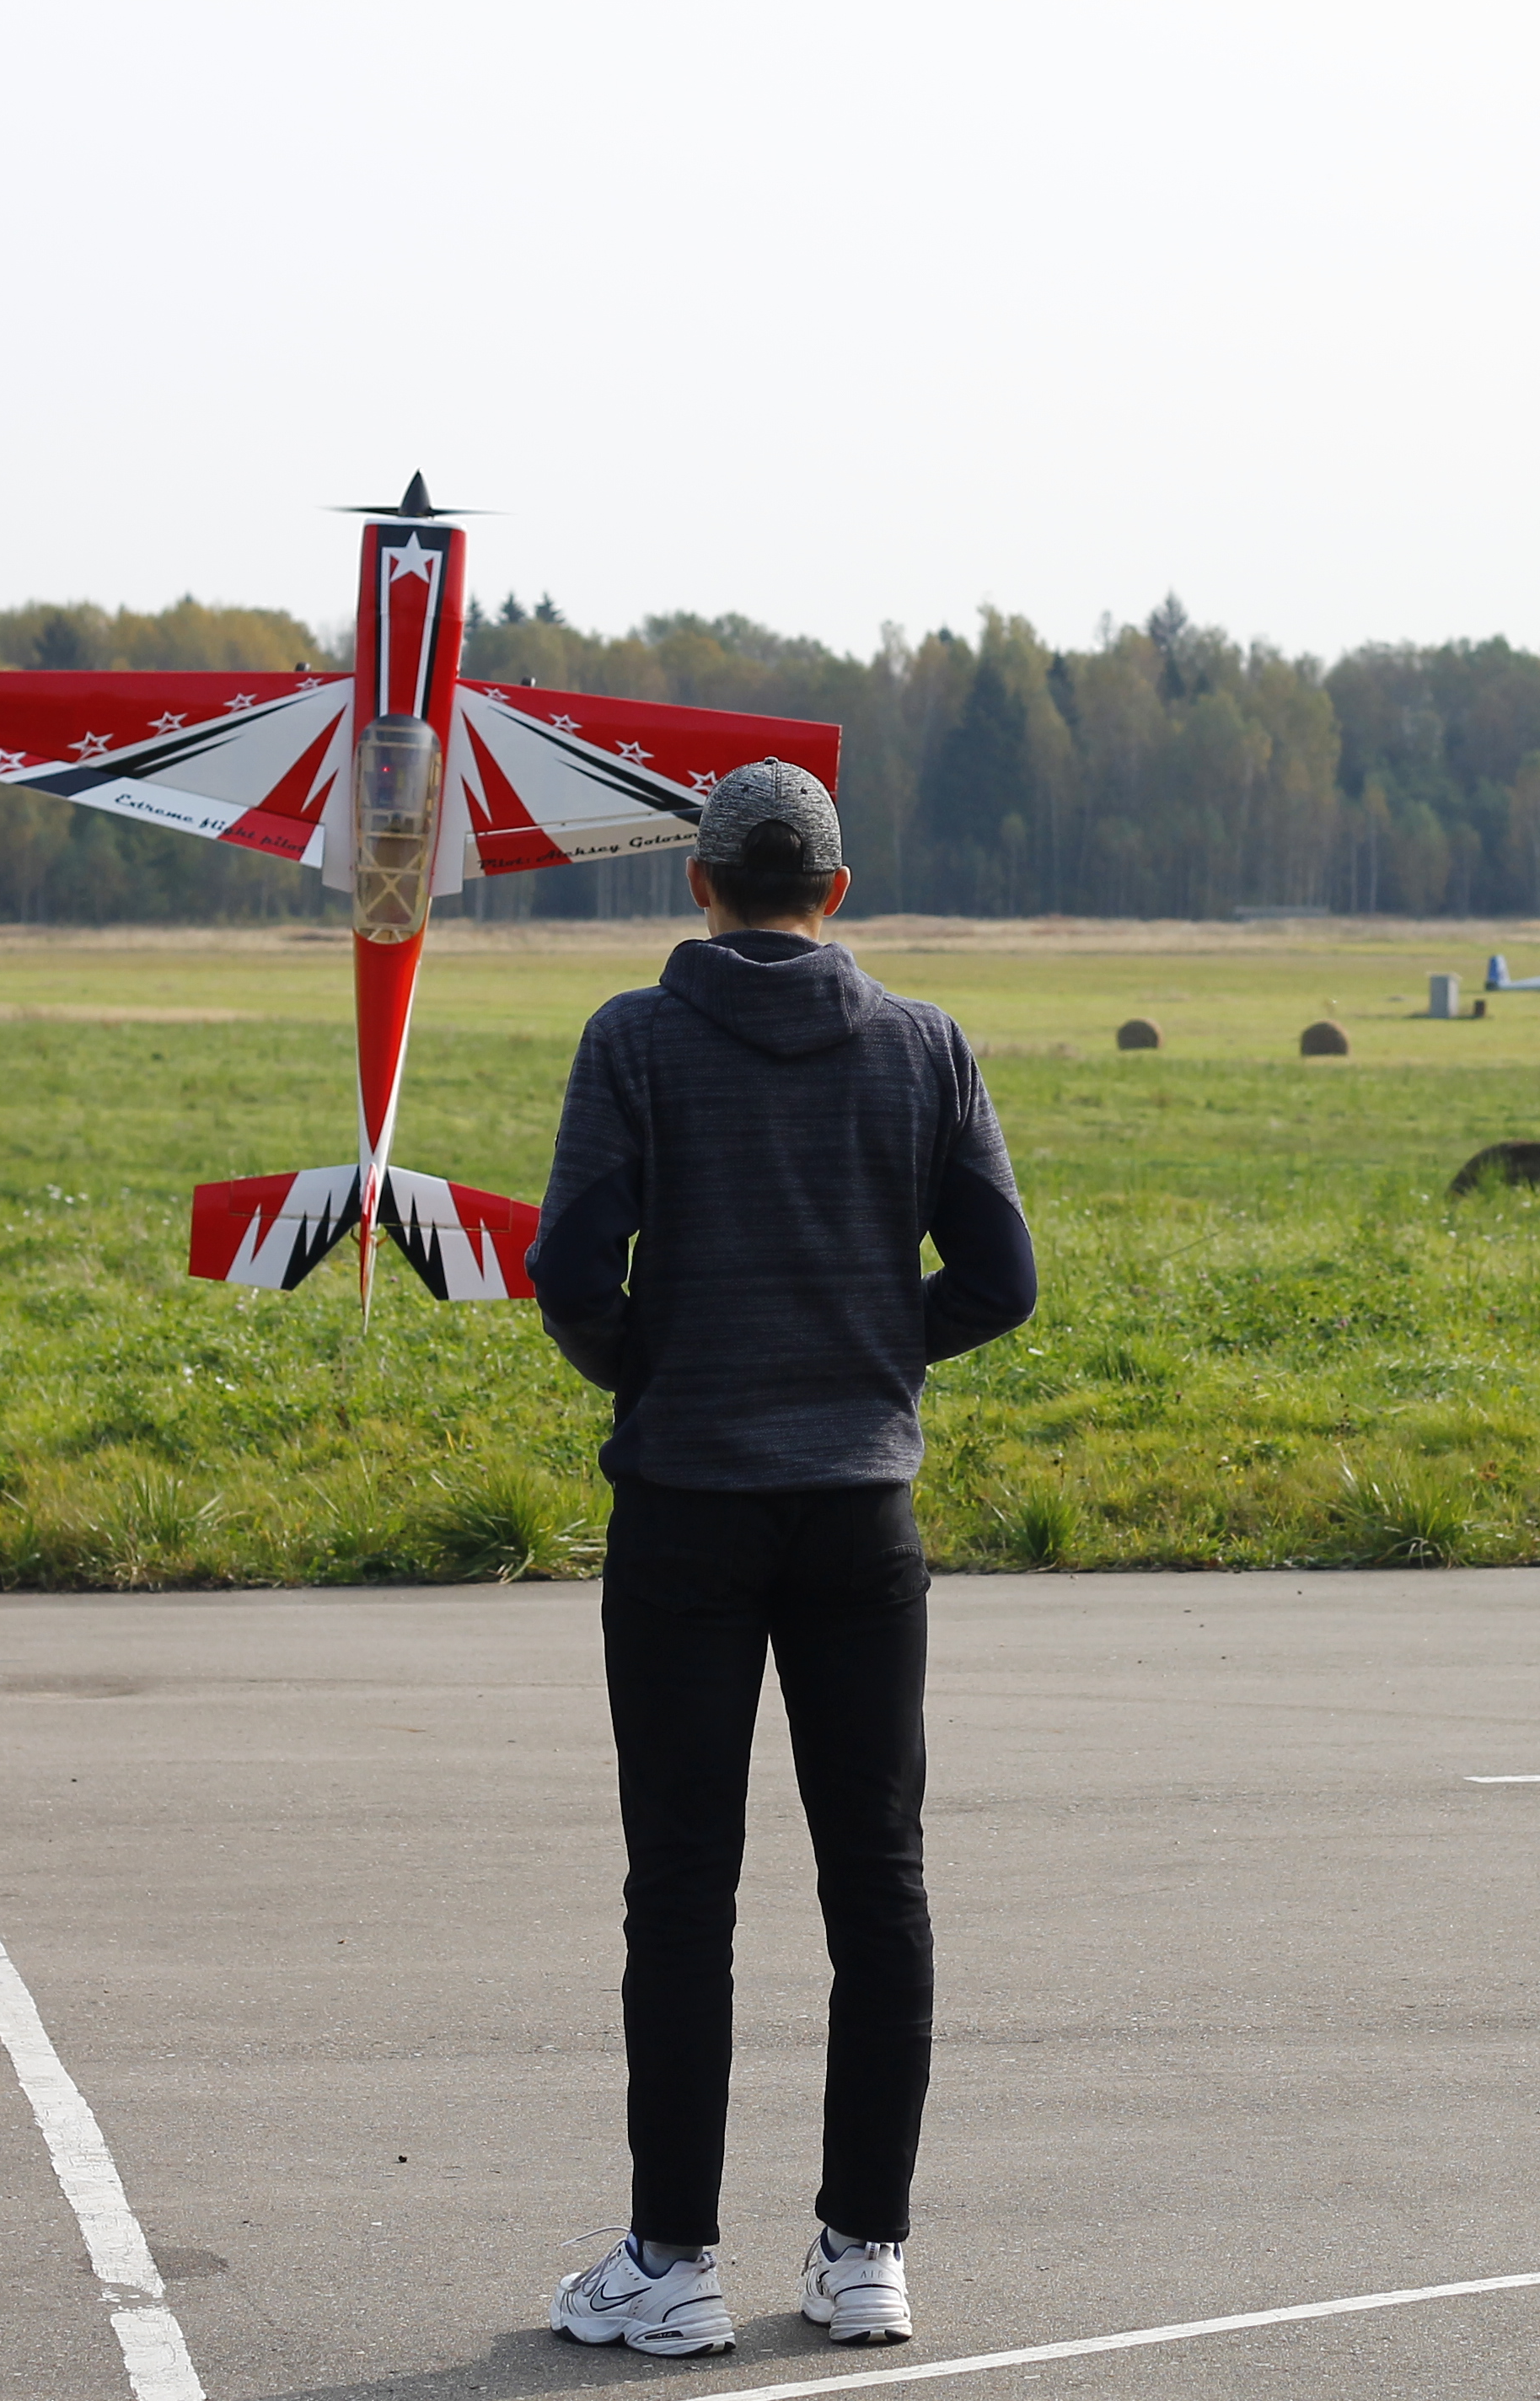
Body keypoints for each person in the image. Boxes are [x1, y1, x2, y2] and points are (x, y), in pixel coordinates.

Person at [532, 760, 1036, 2359]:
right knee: (877, 1879)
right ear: (837, 886)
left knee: (683, 1887)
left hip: (686, 1505)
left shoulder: (633, 1040)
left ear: (699, 884)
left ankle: (671, 2260)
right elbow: (1002, 1278)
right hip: (860, 1515)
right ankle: (864, 2247)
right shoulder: (923, 1043)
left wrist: (662, 1371)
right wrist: (877, 1348)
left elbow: (569, 1271)